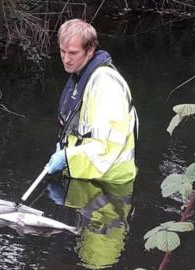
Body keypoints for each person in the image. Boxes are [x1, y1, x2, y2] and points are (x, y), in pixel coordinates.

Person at [46, 19, 138, 184]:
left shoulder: (106, 84)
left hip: (111, 182)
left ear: (90, 51)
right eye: (62, 51)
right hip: (88, 173)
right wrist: (66, 149)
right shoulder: (83, 76)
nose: (66, 59)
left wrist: (67, 156)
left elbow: (109, 144)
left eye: (73, 53)